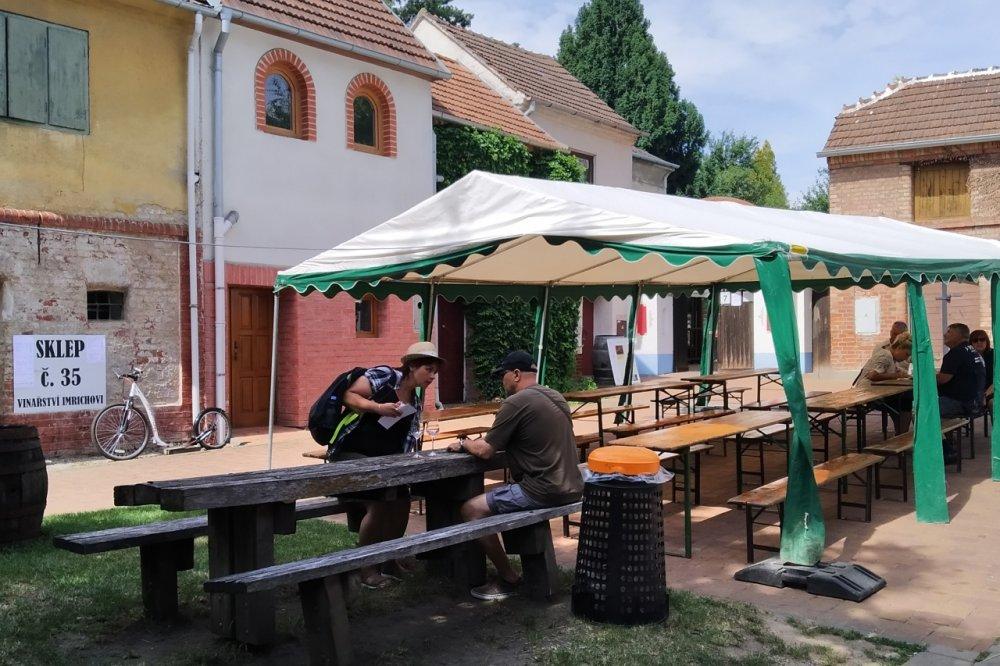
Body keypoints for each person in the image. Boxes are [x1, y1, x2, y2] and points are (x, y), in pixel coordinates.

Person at [447, 350, 584, 601]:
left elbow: (485, 450)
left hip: (544, 490)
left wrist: (464, 443)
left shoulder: (516, 402)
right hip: (573, 486)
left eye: (504, 375)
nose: (502, 381)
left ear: (517, 374)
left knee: (471, 509)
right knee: (502, 495)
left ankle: (508, 578)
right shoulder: (555, 396)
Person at [329, 341, 443, 589]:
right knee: (380, 501)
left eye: (435, 371)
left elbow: (407, 441)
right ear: (412, 366)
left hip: (383, 462)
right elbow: (349, 395)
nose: (432, 376)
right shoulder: (386, 376)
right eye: (428, 369)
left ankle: (389, 558)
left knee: (402, 498)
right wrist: (378, 407)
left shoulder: (415, 400)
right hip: (350, 454)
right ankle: (367, 569)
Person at [855, 332, 913, 432]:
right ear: (899, 348)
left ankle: (902, 432)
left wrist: (904, 375)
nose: (906, 358)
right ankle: (902, 433)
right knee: (903, 401)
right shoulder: (885, 356)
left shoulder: (891, 358)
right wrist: (895, 376)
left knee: (906, 399)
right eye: (906, 354)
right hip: (867, 393)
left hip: (877, 391)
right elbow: (872, 376)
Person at [937, 323, 986, 420]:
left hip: (961, 403)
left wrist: (927, 376)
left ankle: (938, 430)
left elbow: (942, 379)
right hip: (977, 402)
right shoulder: (973, 351)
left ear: (958, 335)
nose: (945, 335)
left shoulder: (956, 353)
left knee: (922, 408)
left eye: (949, 332)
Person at [970, 330, 994, 400]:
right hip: (972, 393)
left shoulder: (994, 355)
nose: (979, 342)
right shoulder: (967, 357)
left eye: (982, 339)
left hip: (992, 391)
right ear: (971, 343)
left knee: (992, 403)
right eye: (975, 340)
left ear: (987, 341)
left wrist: (985, 395)